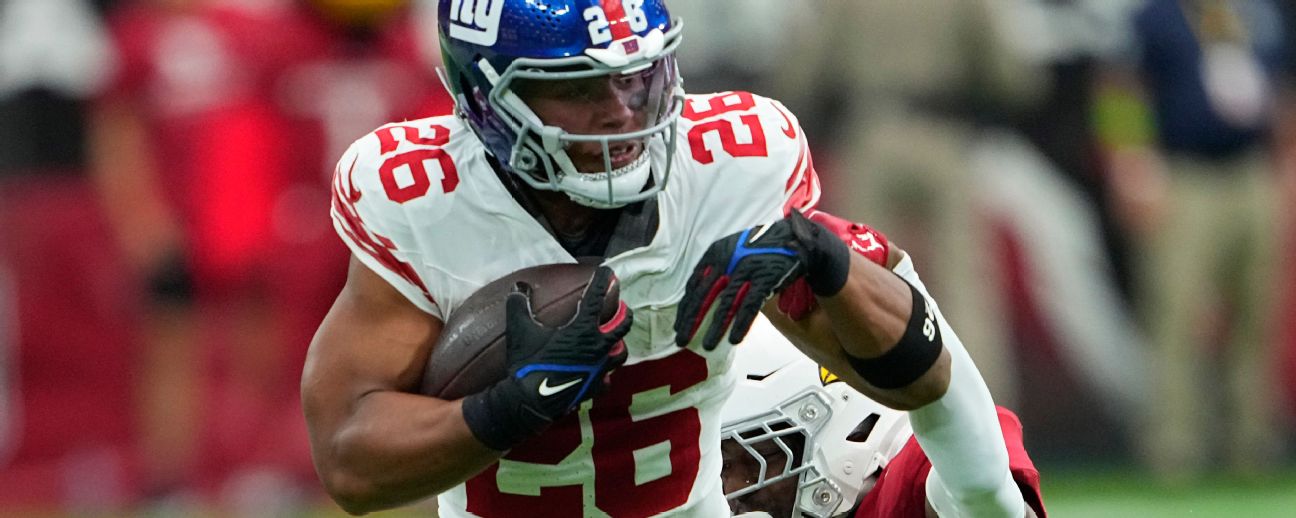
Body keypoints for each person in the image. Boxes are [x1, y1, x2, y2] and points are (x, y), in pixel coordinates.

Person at [303, 1, 1028, 516]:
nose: (623, 111)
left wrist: (829, 264)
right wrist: (506, 410)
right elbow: (351, 464)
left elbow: (924, 377)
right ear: (488, 98)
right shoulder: (426, 197)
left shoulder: (731, 165)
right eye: (581, 88)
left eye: (637, 77)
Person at [1100, 0, 1293, 481]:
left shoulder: (1261, 11)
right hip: (1184, 175)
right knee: (1176, 313)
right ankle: (1174, 447)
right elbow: (1121, 88)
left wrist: (1287, 162)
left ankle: (1252, 446)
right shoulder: (1156, 16)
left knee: (1257, 312)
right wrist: (1130, 161)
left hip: (1252, 172)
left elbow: (1283, 88)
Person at [719, 316, 1046, 518]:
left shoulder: (911, 485)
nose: (733, 489)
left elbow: (980, 489)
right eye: (724, 465)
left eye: (757, 457)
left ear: (848, 425)